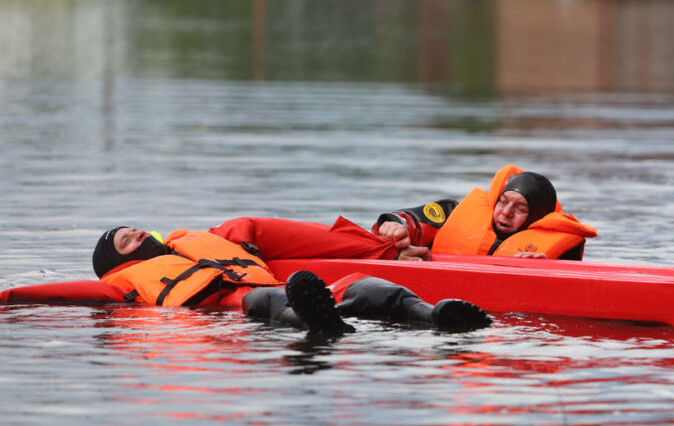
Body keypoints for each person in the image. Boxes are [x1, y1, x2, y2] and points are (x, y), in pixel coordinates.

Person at [90, 218, 491, 337]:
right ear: (119, 262)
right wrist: (21, 296)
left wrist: (382, 251)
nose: (138, 233)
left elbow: (302, 236)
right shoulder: (120, 284)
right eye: (127, 240)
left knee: (363, 285)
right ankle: (316, 320)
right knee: (263, 300)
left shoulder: (217, 238)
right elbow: (62, 292)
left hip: (274, 293)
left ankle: (433, 315)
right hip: (231, 308)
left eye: (135, 228)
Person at [372, 164, 597, 261]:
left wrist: (545, 268)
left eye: (521, 209)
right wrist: (395, 226)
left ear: (536, 218)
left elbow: (567, 280)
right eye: (503, 201)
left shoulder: (557, 246)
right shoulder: (452, 211)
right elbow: (409, 219)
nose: (506, 212)